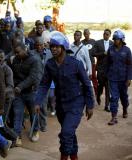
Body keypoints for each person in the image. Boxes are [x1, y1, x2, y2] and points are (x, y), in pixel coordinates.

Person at [34, 32, 94, 160]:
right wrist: (38, 101)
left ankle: (64, 157)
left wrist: (90, 105)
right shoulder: (50, 64)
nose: (53, 49)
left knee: (66, 133)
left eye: (56, 46)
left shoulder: (76, 64)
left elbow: (87, 85)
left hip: (76, 103)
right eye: (52, 46)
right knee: (69, 132)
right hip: (61, 104)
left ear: (63, 47)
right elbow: (44, 84)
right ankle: (74, 157)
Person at [10, 43, 42, 145]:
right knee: (17, 114)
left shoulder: (35, 60)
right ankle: (17, 136)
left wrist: (21, 86)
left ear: (25, 49)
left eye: (18, 52)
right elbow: (14, 75)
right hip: (18, 93)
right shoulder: (15, 60)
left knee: (33, 113)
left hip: (31, 91)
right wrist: (14, 85)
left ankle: (35, 131)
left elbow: (32, 77)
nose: (16, 54)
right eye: (15, 53)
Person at [106, 30, 132, 125]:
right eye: (114, 39)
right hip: (112, 78)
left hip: (123, 78)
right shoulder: (111, 49)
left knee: (124, 97)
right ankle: (114, 117)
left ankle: (125, 108)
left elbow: (130, 65)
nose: (115, 40)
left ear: (121, 39)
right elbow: (108, 63)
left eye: (117, 39)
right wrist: (107, 74)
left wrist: (129, 78)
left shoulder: (127, 50)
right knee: (114, 97)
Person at [92, 29, 113, 112]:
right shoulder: (98, 43)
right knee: (101, 85)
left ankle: (106, 106)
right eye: (104, 34)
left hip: (109, 69)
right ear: (103, 34)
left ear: (110, 35)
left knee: (108, 88)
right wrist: (103, 53)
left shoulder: (112, 43)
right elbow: (93, 54)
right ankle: (98, 95)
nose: (106, 35)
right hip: (100, 69)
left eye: (107, 34)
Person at [82, 29, 97, 95]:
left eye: (87, 34)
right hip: (84, 64)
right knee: (84, 78)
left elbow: (96, 52)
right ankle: (86, 93)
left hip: (92, 63)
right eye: (85, 34)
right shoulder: (82, 42)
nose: (86, 35)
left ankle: (97, 93)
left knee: (94, 77)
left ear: (89, 34)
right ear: (83, 34)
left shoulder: (93, 41)